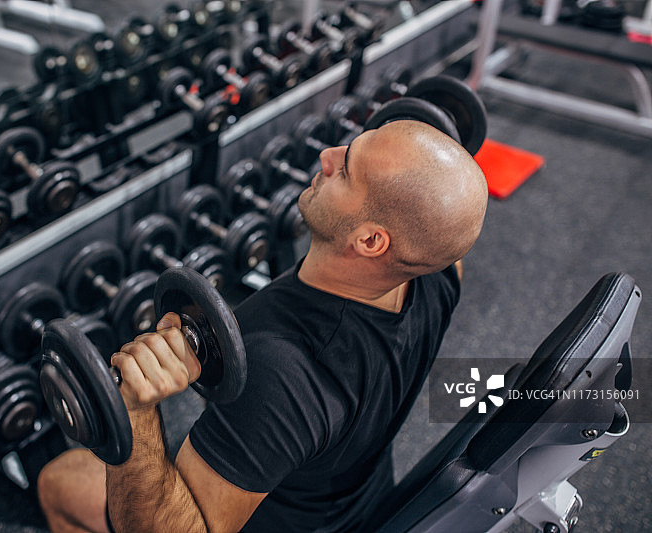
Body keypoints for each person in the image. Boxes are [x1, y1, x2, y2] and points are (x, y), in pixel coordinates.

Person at [36, 119, 489, 533]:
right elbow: (438, 212)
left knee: (60, 482)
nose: (326, 156)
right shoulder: (438, 276)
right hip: (357, 503)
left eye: (347, 169)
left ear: (370, 240)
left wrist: (135, 414)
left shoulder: (280, 372)